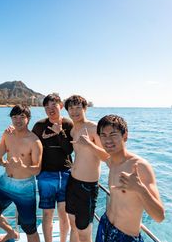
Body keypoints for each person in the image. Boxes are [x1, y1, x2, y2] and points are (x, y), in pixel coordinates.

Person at [95, 115, 165, 242]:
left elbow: (159, 216)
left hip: (125, 236)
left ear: (125, 136)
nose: (108, 140)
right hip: (105, 225)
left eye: (113, 134)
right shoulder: (112, 162)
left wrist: (139, 188)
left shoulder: (140, 166)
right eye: (103, 135)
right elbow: (101, 154)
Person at [0, 104, 43, 242]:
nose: (18, 120)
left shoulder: (35, 142)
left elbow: (37, 170)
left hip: (24, 188)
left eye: (22, 117)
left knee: (29, 228)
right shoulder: (7, 134)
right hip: (5, 183)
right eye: (14, 117)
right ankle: (11, 233)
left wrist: (23, 166)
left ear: (28, 119)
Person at [64, 95, 110, 242]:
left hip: (87, 186)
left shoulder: (94, 128)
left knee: (84, 231)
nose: (74, 111)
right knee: (72, 223)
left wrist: (89, 144)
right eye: (71, 108)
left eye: (78, 107)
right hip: (72, 181)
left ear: (85, 108)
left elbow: (107, 158)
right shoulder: (73, 130)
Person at [32, 94, 73, 242]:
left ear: (61, 106)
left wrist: (60, 132)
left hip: (65, 173)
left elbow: (69, 150)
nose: (51, 110)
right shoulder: (39, 126)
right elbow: (29, 143)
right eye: (47, 107)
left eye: (54, 106)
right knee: (47, 214)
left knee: (63, 213)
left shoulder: (68, 124)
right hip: (45, 175)